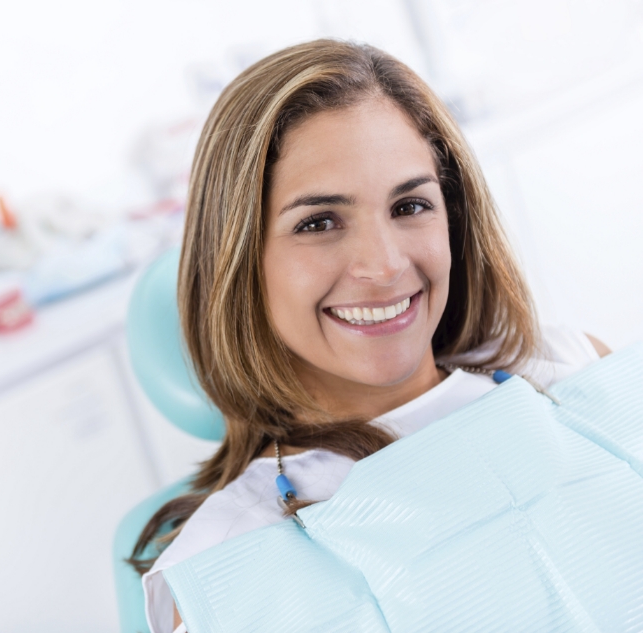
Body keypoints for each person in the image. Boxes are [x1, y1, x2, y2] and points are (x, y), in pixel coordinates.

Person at [128, 39, 610, 633]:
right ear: (238, 262)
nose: (383, 266)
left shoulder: (573, 369)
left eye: (409, 206)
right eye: (319, 222)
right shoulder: (230, 567)